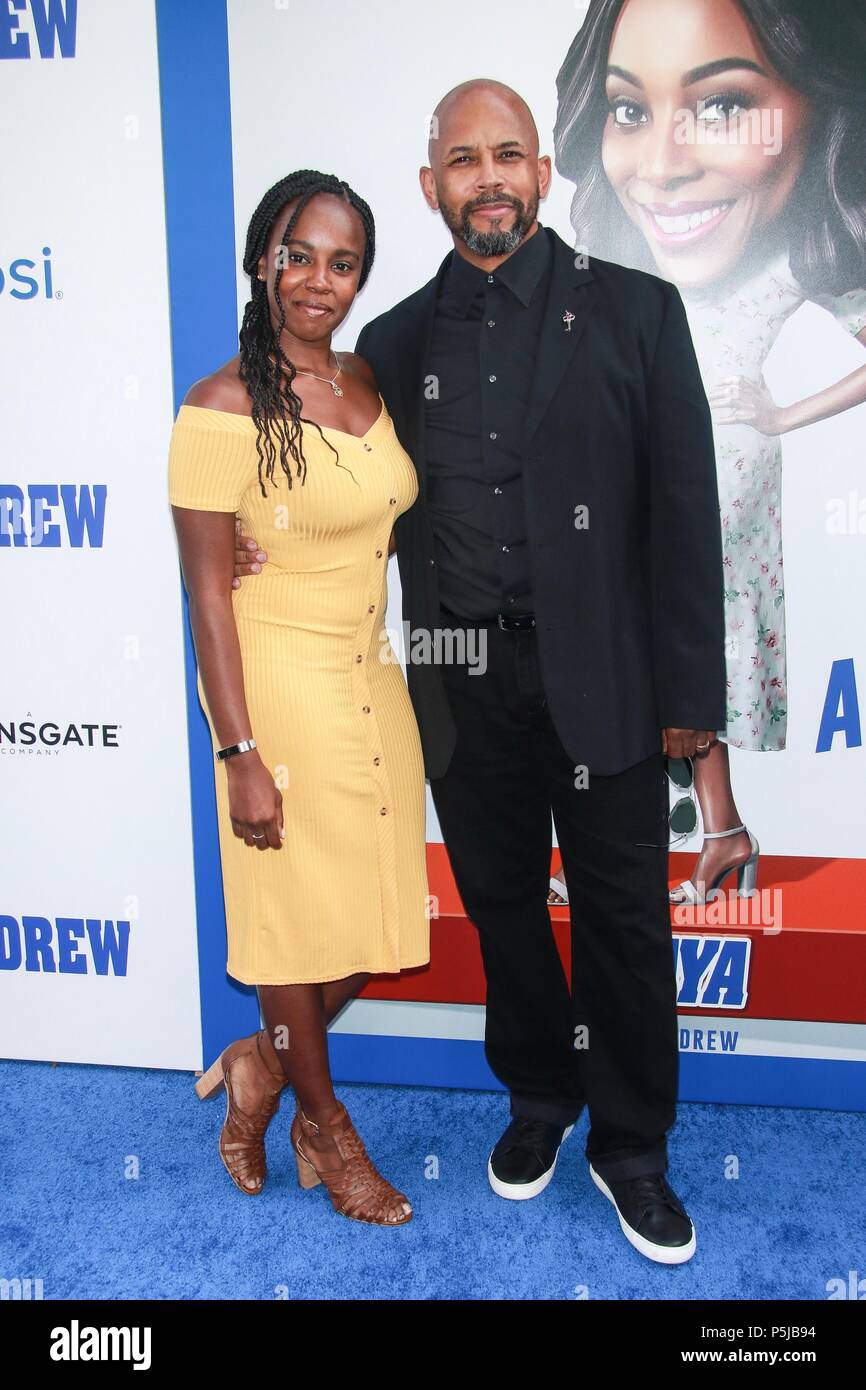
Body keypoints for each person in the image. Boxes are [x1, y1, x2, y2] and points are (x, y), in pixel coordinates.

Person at [234, 83, 726, 1263]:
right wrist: (259, 529)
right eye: (463, 159)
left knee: (619, 915)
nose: (487, 176)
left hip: (603, 675)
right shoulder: (389, 345)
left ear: (544, 172)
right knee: (504, 908)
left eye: (507, 154)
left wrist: (693, 709)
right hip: (457, 673)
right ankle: (539, 1101)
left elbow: (685, 520)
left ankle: (633, 1147)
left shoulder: (638, 312)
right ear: (431, 185)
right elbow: (337, 484)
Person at [549, 0, 866, 907]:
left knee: (684, 652)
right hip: (633, 460)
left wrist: (779, 416)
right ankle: (714, 830)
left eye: (723, 105)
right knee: (658, 651)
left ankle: (684, 835)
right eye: (629, 109)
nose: (665, 164)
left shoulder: (789, 255)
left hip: (723, 464)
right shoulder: (616, 254)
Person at [168, 170, 429, 1227]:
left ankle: (259, 1063)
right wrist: (239, 751)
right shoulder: (222, 403)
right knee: (290, 925)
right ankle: (324, 1123)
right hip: (275, 683)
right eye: (298, 255)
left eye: (342, 261)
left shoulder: (365, 380)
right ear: (260, 261)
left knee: (371, 916)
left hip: (369, 675)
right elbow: (205, 593)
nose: (318, 281)